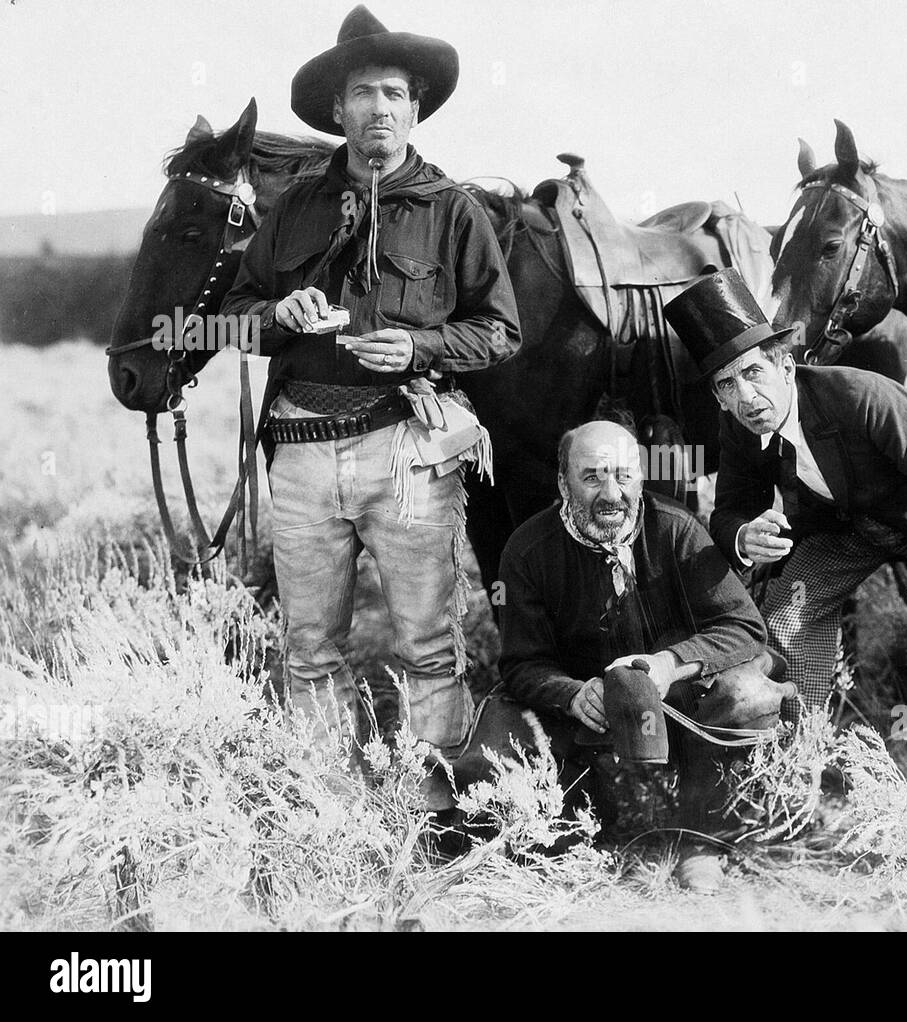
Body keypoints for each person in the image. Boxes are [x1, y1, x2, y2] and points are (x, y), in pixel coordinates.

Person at [219, 5, 520, 801]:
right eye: (362, 93)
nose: (378, 107)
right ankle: (331, 803)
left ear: (415, 108)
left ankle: (435, 800)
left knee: (427, 642)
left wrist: (421, 348)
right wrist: (275, 316)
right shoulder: (294, 209)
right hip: (301, 448)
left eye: (393, 92)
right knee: (310, 646)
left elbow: (500, 331)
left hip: (407, 448)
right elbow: (236, 315)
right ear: (337, 109)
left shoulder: (453, 211)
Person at [665, 269, 907, 803]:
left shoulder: (860, 395)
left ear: (785, 365)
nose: (746, 397)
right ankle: (794, 785)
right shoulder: (739, 425)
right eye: (726, 385)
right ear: (718, 399)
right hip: (842, 532)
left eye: (753, 372)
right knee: (781, 627)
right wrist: (743, 534)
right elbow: (729, 510)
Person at [458, 419, 791, 891]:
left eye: (624, 475)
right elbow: (521, 664)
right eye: (592, 477)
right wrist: (572, 695)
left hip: (677, 699)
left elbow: (744, 627)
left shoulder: (676, 527)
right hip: (583, 708)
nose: (611, 493)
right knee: (493, 750)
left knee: (748, 695)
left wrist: (669, 665)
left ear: (641, 477)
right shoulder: (527, 550)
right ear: (563, 484)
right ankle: (577, 827)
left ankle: (701, 839)